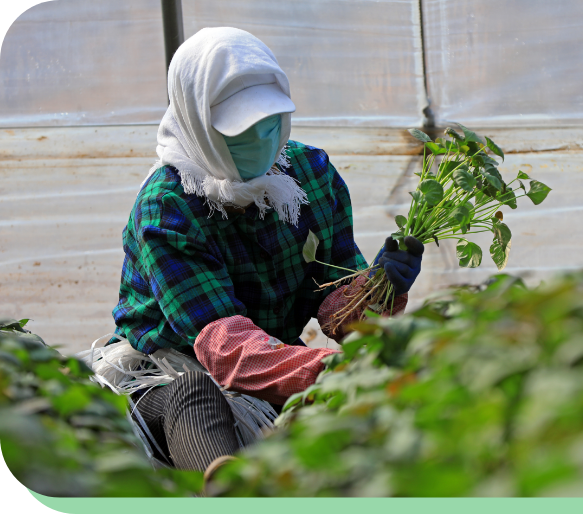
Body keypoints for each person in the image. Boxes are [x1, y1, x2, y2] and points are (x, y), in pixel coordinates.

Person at [108, 27, 424, 475]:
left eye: (270, 123)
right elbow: (226, 347)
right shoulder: (169, 208)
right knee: (196, 397)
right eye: (240, 130)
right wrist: (331, 371)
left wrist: (377, 290)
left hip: (276, 356)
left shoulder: (309, 174)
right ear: (200, 121)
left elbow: (331, 305)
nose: (260, 139)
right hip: (172, 369)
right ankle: (228, 486)